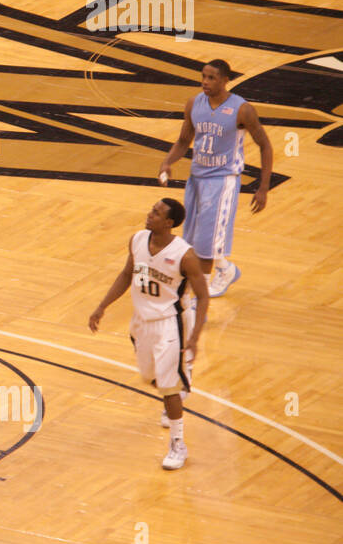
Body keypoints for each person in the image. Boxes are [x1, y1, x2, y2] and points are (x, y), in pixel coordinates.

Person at [88, 198, 209, 470]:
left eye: (156, 213)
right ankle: (180, 381)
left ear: (169, 222)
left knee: (169, 388)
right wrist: (101, 306)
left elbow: (203, 296)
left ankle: (178, 443)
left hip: (170, 323)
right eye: (151, 210)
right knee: (150, 378)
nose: (149, 214)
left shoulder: (185, 255)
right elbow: (126, 274)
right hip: (141, 322)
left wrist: (195, 337)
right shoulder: (138, 239)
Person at [158, 59, 272, 298]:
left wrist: (263, 188)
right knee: (194, 237)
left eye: (211, 78)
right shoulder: (194, 103)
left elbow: (265, 145)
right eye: (203, 76)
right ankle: (225, 269)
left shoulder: (242, 109)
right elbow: (182, 141)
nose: (205, 82)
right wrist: (168, 162)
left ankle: (197, 299)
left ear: (225, 80)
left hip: (223, 180)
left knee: (206, 247)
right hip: (196, 178)